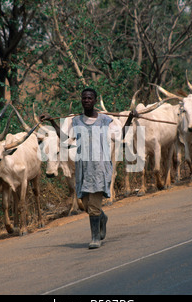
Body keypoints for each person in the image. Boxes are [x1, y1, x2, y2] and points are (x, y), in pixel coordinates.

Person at [40, 88, 136, 249]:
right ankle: (102, 217)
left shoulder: (106, 120)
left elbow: (121, 136)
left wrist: (130, 119)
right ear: (81, 100)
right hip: (83, 168)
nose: (86, 100)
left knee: (93, 205)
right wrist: (51, 121)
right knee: (85, 203)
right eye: (84, 98)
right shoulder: (76, 121)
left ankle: (95, 237)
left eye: (89, 98)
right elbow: (64, 139)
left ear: (94, 100)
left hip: (100, 167)